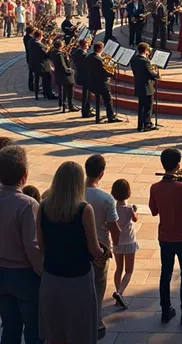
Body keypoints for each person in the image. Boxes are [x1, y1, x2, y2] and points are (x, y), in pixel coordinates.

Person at [37, 161, 102, 344]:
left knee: (55, 334)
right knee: (80, 333)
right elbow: (94, 249)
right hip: (78, 280)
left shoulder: (43, 207)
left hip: (51, 277)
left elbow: (41, 246)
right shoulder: (84, 209)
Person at [149, 147, 182, 327]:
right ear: (179, 165)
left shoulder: (155, 187)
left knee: (166, 273)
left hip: (164, 237)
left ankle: (166, 311)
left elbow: (154, 211)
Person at [0, 145, 43, 344]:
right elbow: (32, 246)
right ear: (24, 175)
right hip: (24, 275)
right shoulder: (27, 204)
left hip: (1, 272)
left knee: (9, 329)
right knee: (34, 331)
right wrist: (43, 271)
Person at [85, 153, 121, 340]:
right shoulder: (106, 198)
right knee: (98, 287)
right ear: (102, 173)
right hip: (100, 248)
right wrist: (115, 246)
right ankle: (96, 322)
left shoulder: (76, 192)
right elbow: (114, 228)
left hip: (79, 247)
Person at [111, 178, 139, 309]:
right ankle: (120, 292)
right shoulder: (129, 209)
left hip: (117, 243)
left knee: (118, 269)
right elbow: (135, 219)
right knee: (129, 271)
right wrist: (135, 210)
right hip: (129, 242)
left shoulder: (113, 209)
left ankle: (118, 291)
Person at [86, 41, 121, 124]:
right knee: (108, 100)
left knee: (106, 98)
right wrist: (111, 73)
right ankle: (111, 117)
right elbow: (103, 71)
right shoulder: (99, 60)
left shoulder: (89, 57)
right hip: (101, 84)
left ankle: (107, 115)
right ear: (100, 49)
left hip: (92, 82)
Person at [130, 42, 159, 132]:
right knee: (147, 107)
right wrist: (157, 73)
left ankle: (140, 125)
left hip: (138, 84)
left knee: (141, 106)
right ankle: (147, 124)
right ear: (146, 51)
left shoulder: (134, 59)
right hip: (147, 86)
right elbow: (151, 74)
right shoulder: (145, 61)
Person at [49, 37, 78, 112]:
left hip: (58, 74)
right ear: (60, 46)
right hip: (64, 75)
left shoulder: (53, 52)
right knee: (69, 88)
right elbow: (63, 65)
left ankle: (62, 104)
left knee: (61, 90)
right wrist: (70, 70)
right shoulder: (60, 54)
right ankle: (70, 105)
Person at [29, 29, 55, 100]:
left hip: (33, 64)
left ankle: (45, 91)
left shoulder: (31, 41)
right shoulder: (39, 44)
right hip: (40, 65)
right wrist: (49, 50)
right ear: (39, 36)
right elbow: (46, 54)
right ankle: (49, 94)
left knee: (46, 77)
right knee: (48, 76)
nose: (43, 37)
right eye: (42, 36)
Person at [71, 37, 93, 118]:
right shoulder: (84, 55)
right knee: (86, 95)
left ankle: (87, 110)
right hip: (86, 76)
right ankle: (85, 111)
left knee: (86, 94)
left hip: (79, 75)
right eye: (87, 44)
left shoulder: (75, 53)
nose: (88, 46)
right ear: (84, 45)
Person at [23, 24, 35, 92]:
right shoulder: (31, 39)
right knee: (32, 72)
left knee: (31, 71)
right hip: (32, 56)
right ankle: (32, 86)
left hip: (28, 56)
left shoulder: (25, 37)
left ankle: (31, 86)